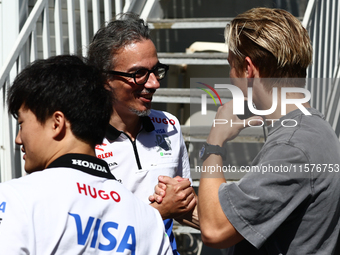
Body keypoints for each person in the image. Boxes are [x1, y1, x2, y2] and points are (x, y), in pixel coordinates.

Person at [152, 7, 340, 254]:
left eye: (231, 66)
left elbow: (215, 231)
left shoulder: (292, 148)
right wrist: (183, 209)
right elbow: (246, 223)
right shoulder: (312, 130)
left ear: (248, 70)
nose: (230, 77)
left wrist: (214, 143)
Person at [0, 55, 172, 254]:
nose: (18, 139)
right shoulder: (149, 220)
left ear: (57, 123)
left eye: (22, 124)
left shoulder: (14, 199)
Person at [87, 13, 198, 255]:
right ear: (104, 79)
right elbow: (85, 231)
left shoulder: (169, 125)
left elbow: (184, 209)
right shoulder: (81, 138)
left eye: (156, 70)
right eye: (139, 74)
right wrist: (159, 211)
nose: (154, 83)